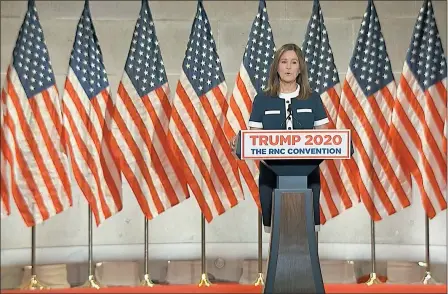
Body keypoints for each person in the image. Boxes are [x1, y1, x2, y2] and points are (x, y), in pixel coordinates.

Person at [231, 43, 329, 233]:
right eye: (284, 62)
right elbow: (254, 138)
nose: (289, 67)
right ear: (276, 66)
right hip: (271, 174)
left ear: (300, 68)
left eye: (294, 62)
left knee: (306, 229)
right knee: (276, 229)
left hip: (307, 173)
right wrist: (241, 141)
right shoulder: (262, 99)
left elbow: (323, 137)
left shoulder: (313, 98)